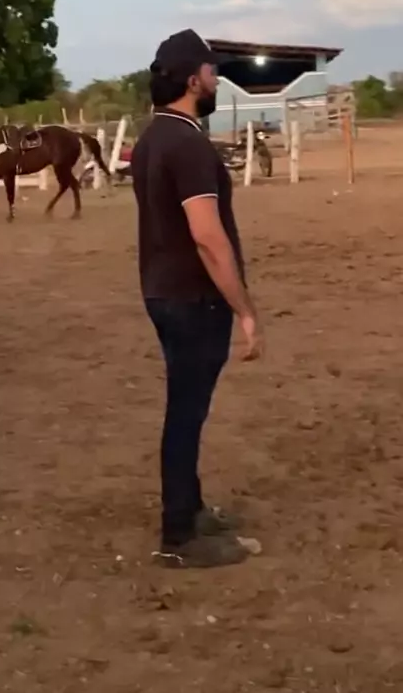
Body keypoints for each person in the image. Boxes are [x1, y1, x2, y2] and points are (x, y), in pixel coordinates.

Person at [131, 29, 262, 568]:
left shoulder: (152, 138)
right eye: (212, 72)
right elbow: (207, 237)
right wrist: (245, 310)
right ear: (192, 80)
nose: (217, 80)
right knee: (187, 412)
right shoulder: (188, 145)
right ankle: (180, 534)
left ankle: (191, 507)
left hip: (163, 291)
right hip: (193, 298)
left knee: (186, 407)